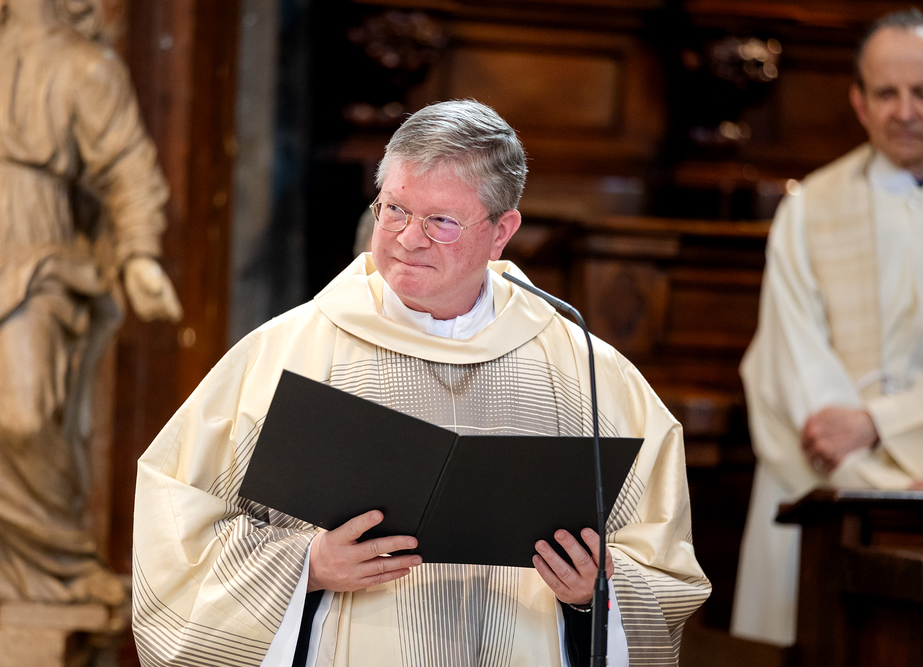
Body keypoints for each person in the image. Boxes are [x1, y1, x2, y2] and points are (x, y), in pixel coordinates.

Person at [133, 100, 709, 667]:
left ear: (502, 231)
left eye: (441, 221)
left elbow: (662, 565)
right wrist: (306, 566)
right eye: (394, 210)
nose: (408, 238)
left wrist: (598, 591)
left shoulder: (585, 372)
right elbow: (176, 533)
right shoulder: (288, 353)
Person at [0, 0, 180, 622]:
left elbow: (128, 168)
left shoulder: (84, 66)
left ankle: (57, 564)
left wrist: (139, 255)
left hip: (27, 245)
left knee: (22, 415)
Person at [731, 8, 923, 647]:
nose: (905, 111)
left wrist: (880, 423)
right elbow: (794, 360)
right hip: (824, 483)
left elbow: (861, 422)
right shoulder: (810, 207)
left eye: (920, 91)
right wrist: (886, 486)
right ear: (859, 102)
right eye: (887, 93)